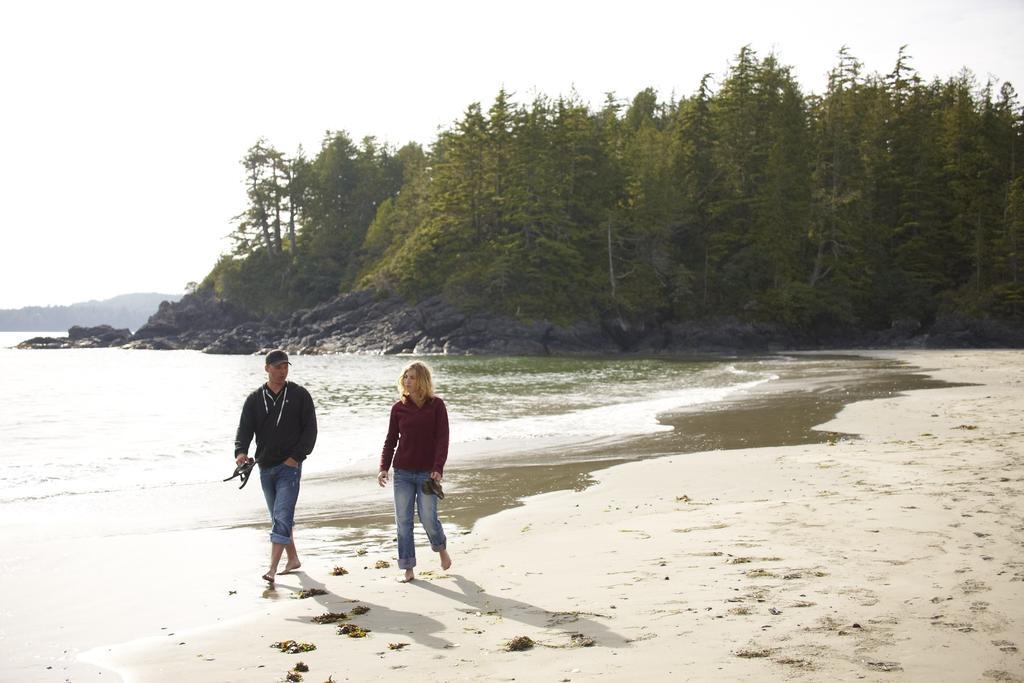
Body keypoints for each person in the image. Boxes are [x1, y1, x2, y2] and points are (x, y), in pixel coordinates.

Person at [234, 349, 317, 586]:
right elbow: (244, 429)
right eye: (278, 366)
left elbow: (310, 430)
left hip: (290, 467)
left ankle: (271, 568)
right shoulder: (254, 399)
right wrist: (241, 452)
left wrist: (297, 457)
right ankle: (293, 559)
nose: (283, 371)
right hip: (264, 467)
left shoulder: (300, 395)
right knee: (279, 517)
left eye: (285, 366)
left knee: (281, 515)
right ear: (267, 368)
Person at [377, 360, 452, 582]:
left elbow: (442, 439)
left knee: (429, 518)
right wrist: (383, 467)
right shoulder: (398, 408)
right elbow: (390, 440)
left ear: (422, 380)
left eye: (412, 377)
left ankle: (441, 549)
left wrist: (438, 468)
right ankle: (408, 568)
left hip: (428, 473)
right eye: (405, 377)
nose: (407, 381)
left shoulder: (436, 405)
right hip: (403, 472)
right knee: (403, 520)